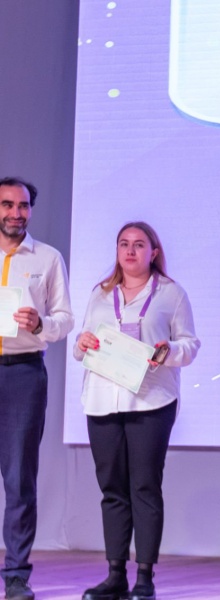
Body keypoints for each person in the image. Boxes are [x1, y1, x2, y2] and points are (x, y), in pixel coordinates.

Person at [73, 221, 200, 600]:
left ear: (153, 252)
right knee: (112, 490)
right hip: (102, 400)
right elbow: (81, 348)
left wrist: (169, 351)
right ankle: (115, 576)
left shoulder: (171, 293)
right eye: (124, 244)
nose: (130, 251)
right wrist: (81, 343)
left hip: (151, 401)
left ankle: (144, 577)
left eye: (139, 245)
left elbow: (190, 344)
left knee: (144, 487)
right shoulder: (100, 293)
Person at [0, 177, 74, 600]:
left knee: (18, 479)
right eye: (7, 204)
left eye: (23, 206)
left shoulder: (47, 258)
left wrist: (41, 323)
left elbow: (65, 319)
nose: (16, 213)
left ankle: (15, 576)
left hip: (23, 374)